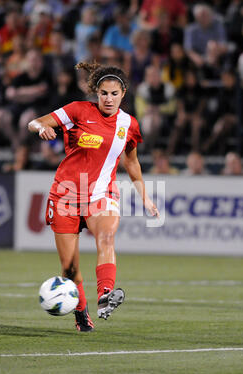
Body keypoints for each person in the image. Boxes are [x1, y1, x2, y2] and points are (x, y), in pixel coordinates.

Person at [28, 62, 160, 332]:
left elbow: (131, 162)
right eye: (103, 93)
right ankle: (81, 314)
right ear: (96, 93)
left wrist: (144, 196)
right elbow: (36, 121)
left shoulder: (128, 125)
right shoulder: (78, 110)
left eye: (114, 94)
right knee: (70, 268)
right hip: (65, 195)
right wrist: (41, 128)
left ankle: (105, 296)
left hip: (101, 193)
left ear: (123, 93)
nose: (108, 99)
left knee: (106, 237)